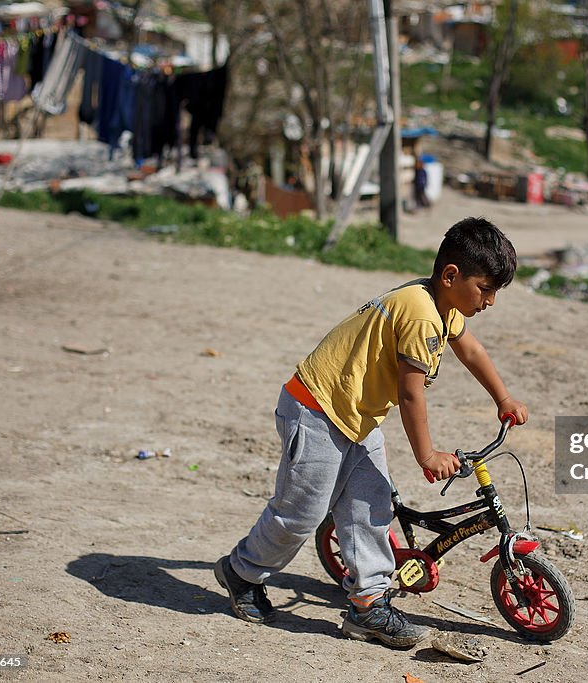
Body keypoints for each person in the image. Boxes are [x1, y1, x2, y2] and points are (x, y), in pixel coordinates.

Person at [213, 217, 528, 649]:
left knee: (371, 508)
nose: (490, 301)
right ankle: (241, 571)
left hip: (358, 418)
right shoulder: (420, 313)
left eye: (495, 292)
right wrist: (426, 455)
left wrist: (503, 397)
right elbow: (410, 393)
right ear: (451, 275)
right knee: (300, 514)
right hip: (316, 410)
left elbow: (469, 348)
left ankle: (368, 607)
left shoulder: (442, 304)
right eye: (486, 288)